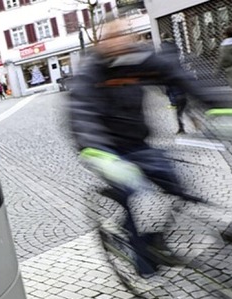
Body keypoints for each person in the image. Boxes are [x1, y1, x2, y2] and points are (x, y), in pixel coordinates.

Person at [68, 18, 220, 277]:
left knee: (175, 184)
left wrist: (218, 104)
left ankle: (157, 238)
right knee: (133, 194)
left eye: (123, 36)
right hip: (105, 150)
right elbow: (81, 113)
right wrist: (97, 151)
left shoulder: (136, 61)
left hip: (138, 144)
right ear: (101, 42)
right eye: (112, 37)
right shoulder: (91, 72)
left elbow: (176, 76)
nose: (119, 42)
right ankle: (139, 254)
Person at [160, 32, 188, 134]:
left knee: (178, 103)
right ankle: (184, 123)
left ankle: (181, 126)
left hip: (170, 77)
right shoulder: (175, 47)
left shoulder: (163, 50)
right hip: (179, 76)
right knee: (182, 101)